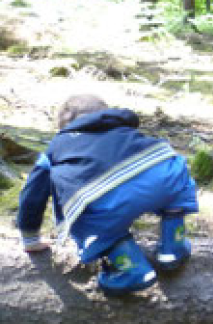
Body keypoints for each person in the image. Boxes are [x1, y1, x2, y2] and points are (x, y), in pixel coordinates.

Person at [16, 94, 199, 295]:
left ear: (64, 126)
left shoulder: (56, 147)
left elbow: (32, 194)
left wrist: (30, 237)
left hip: (105, 202)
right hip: (163, 178)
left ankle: (132, 269)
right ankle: (173, 248)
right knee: (174, 173)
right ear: (106, 114)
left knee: (85, 216)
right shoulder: (125, 130)